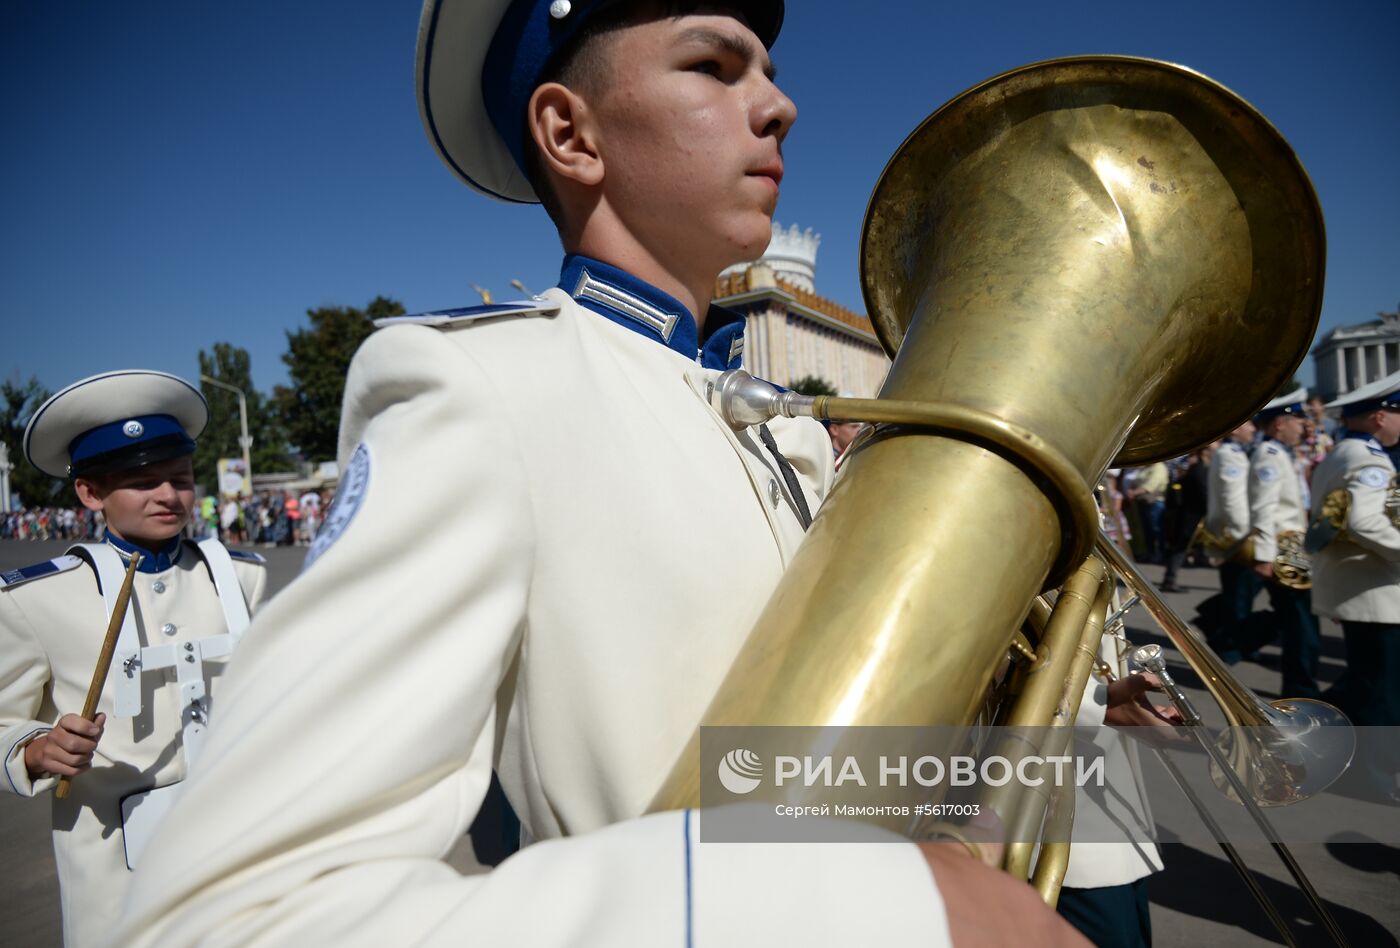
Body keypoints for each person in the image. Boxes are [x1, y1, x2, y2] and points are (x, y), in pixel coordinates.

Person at [116, 3, 1084, 946]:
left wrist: (949, 818)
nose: (778, 106)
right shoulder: (484, 387)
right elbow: (228, 915)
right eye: (713, 65)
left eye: (770, 75)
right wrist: (886, 908)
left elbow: (802, 774)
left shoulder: (783, 431)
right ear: (569, 133)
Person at [0, 370, 267, 948]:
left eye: (180, 478)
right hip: (117, 877)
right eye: (143, 482)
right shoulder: (36, 599)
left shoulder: (242, 576)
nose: (169, 496)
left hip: (239, 850)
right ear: (90, 493)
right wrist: (38, 748)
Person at [1308, 371, 1400, 802]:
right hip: (1375, 594)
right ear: (1381, 416)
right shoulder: (1370, 459)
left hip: (1358, 590)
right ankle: (1375, 779)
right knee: (1384, 694)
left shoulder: (1343, 452)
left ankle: (1308, 735)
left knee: (1366, 682)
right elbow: (1365, 522)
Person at [1248, 387, 1320, 697]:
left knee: (1299, 623)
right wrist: (1264, 556)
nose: (1302, 426)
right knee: (1301, 628)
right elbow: (1264, 509)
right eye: (1297, 420)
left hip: (1294, 550)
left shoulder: (1283, 454)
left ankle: (1232, 642)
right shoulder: (1269, 455)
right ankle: (1300, 690)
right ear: (1279, 423)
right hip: (1283, 553)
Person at [1159, 446, 1212, 593]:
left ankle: (1170, 579)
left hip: (1186, 515)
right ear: (1206, 451)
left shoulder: (1196, 468)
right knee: (1180, 548)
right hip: (1189, 516)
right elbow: (1202, 494)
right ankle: (1169, 580)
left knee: (1179, 547)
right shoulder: (1199, 469)